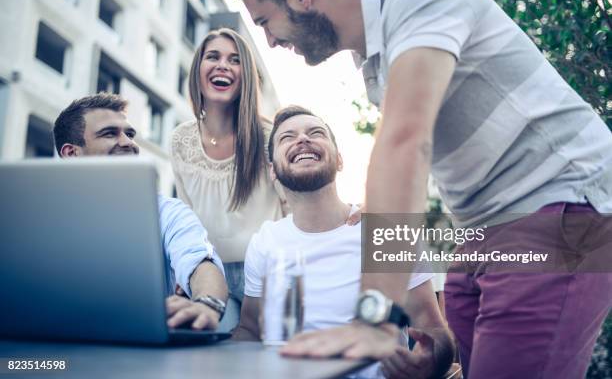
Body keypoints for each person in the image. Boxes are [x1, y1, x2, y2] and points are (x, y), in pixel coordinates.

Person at [233, 0, 612, 377]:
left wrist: (373, 319)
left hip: (559, 209)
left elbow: (405, 143)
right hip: (481, 230)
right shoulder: (375, 61)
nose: (270, 41)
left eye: (265, 23)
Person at [233, 106, 454, 378]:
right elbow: (250, 331)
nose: (302, 139)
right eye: (287, 137)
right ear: (273, 171)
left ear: (339, 160)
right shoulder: (264, 242)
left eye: (315, 133)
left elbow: (436, 333)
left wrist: (430, 362)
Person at [170, 28, 359, 317]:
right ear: (198, 69)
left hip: (270, 269)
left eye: (235, 60)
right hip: (211, 276)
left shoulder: (270, 136)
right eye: (213, 57)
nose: (223, 65)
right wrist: (185, 271)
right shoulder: (180, 139)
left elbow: (300, 202)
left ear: (245, 75)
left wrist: (357, 215)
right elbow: (185, 215)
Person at [54, 92, 229, 331]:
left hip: (140, 352)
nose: (129, 143)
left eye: (130, 133)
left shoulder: (168, 212)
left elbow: (200, 262)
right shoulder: (37, 216)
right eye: (109, 133)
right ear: (72, 153)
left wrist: (208, 304)